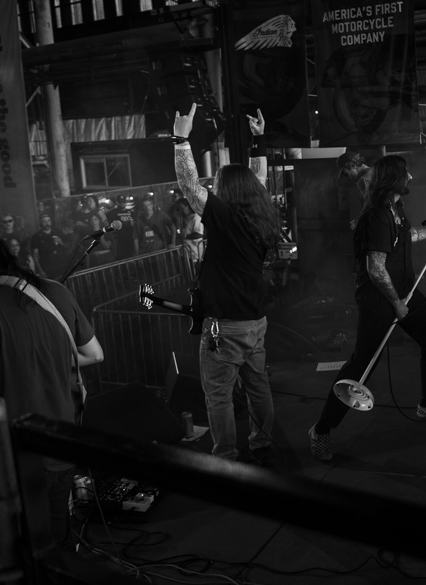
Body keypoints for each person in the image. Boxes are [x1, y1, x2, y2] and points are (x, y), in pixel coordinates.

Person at [0, 231, 104, 550]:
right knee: (53, 548)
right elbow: (94, 354)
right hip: (62, 447)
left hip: (7, 461)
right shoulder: (54, 291)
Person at [308, 155, 426, 462]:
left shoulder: (395, 208)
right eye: (406, 173)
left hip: (404, 292)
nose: (412, 177)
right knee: (360, 367)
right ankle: (321, 430)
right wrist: (397, 304)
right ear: (393, 179)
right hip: (381, 300)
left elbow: (408, 237)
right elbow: (376, 269)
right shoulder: (377, 214)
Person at [173, 105, 279, 465]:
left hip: (224, 324)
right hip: (256, 320)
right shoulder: (259, 214)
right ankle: (262, 443)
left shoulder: (224, 215)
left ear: (226, 191)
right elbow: (259, 181)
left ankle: (227, 455)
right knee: (258, 385)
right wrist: (259, 143)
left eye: (217, 184)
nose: (213, 188)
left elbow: (188, 184)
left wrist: (180, 139)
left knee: (218, 394)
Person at [30, 213, 71, 280]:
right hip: (48, 268)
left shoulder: (58, 232)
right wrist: (41, 271)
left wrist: (61, 242)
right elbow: (35, 255)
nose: (47, 223)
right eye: (44, 221)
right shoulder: (36, 237)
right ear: (40, 223)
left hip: (62, 266)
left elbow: (68, 247)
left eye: (48, 221)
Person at [337, 151, 372, 229]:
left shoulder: (363, 181)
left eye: (346, 173)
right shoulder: (374, 172)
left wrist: (359, 221)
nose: (348, 178)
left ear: (353, 165)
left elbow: (373, 209)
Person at [106, 195, 136, 260]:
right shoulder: (112, 213)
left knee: (131, 259)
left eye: (123, 201)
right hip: (118, 242)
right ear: (117, 202)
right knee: (120, 259)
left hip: (130, 240)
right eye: (120, 201)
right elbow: (109, 227)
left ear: (126, 202)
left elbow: (135, 226)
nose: (122, 203)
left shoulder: (131, 212)